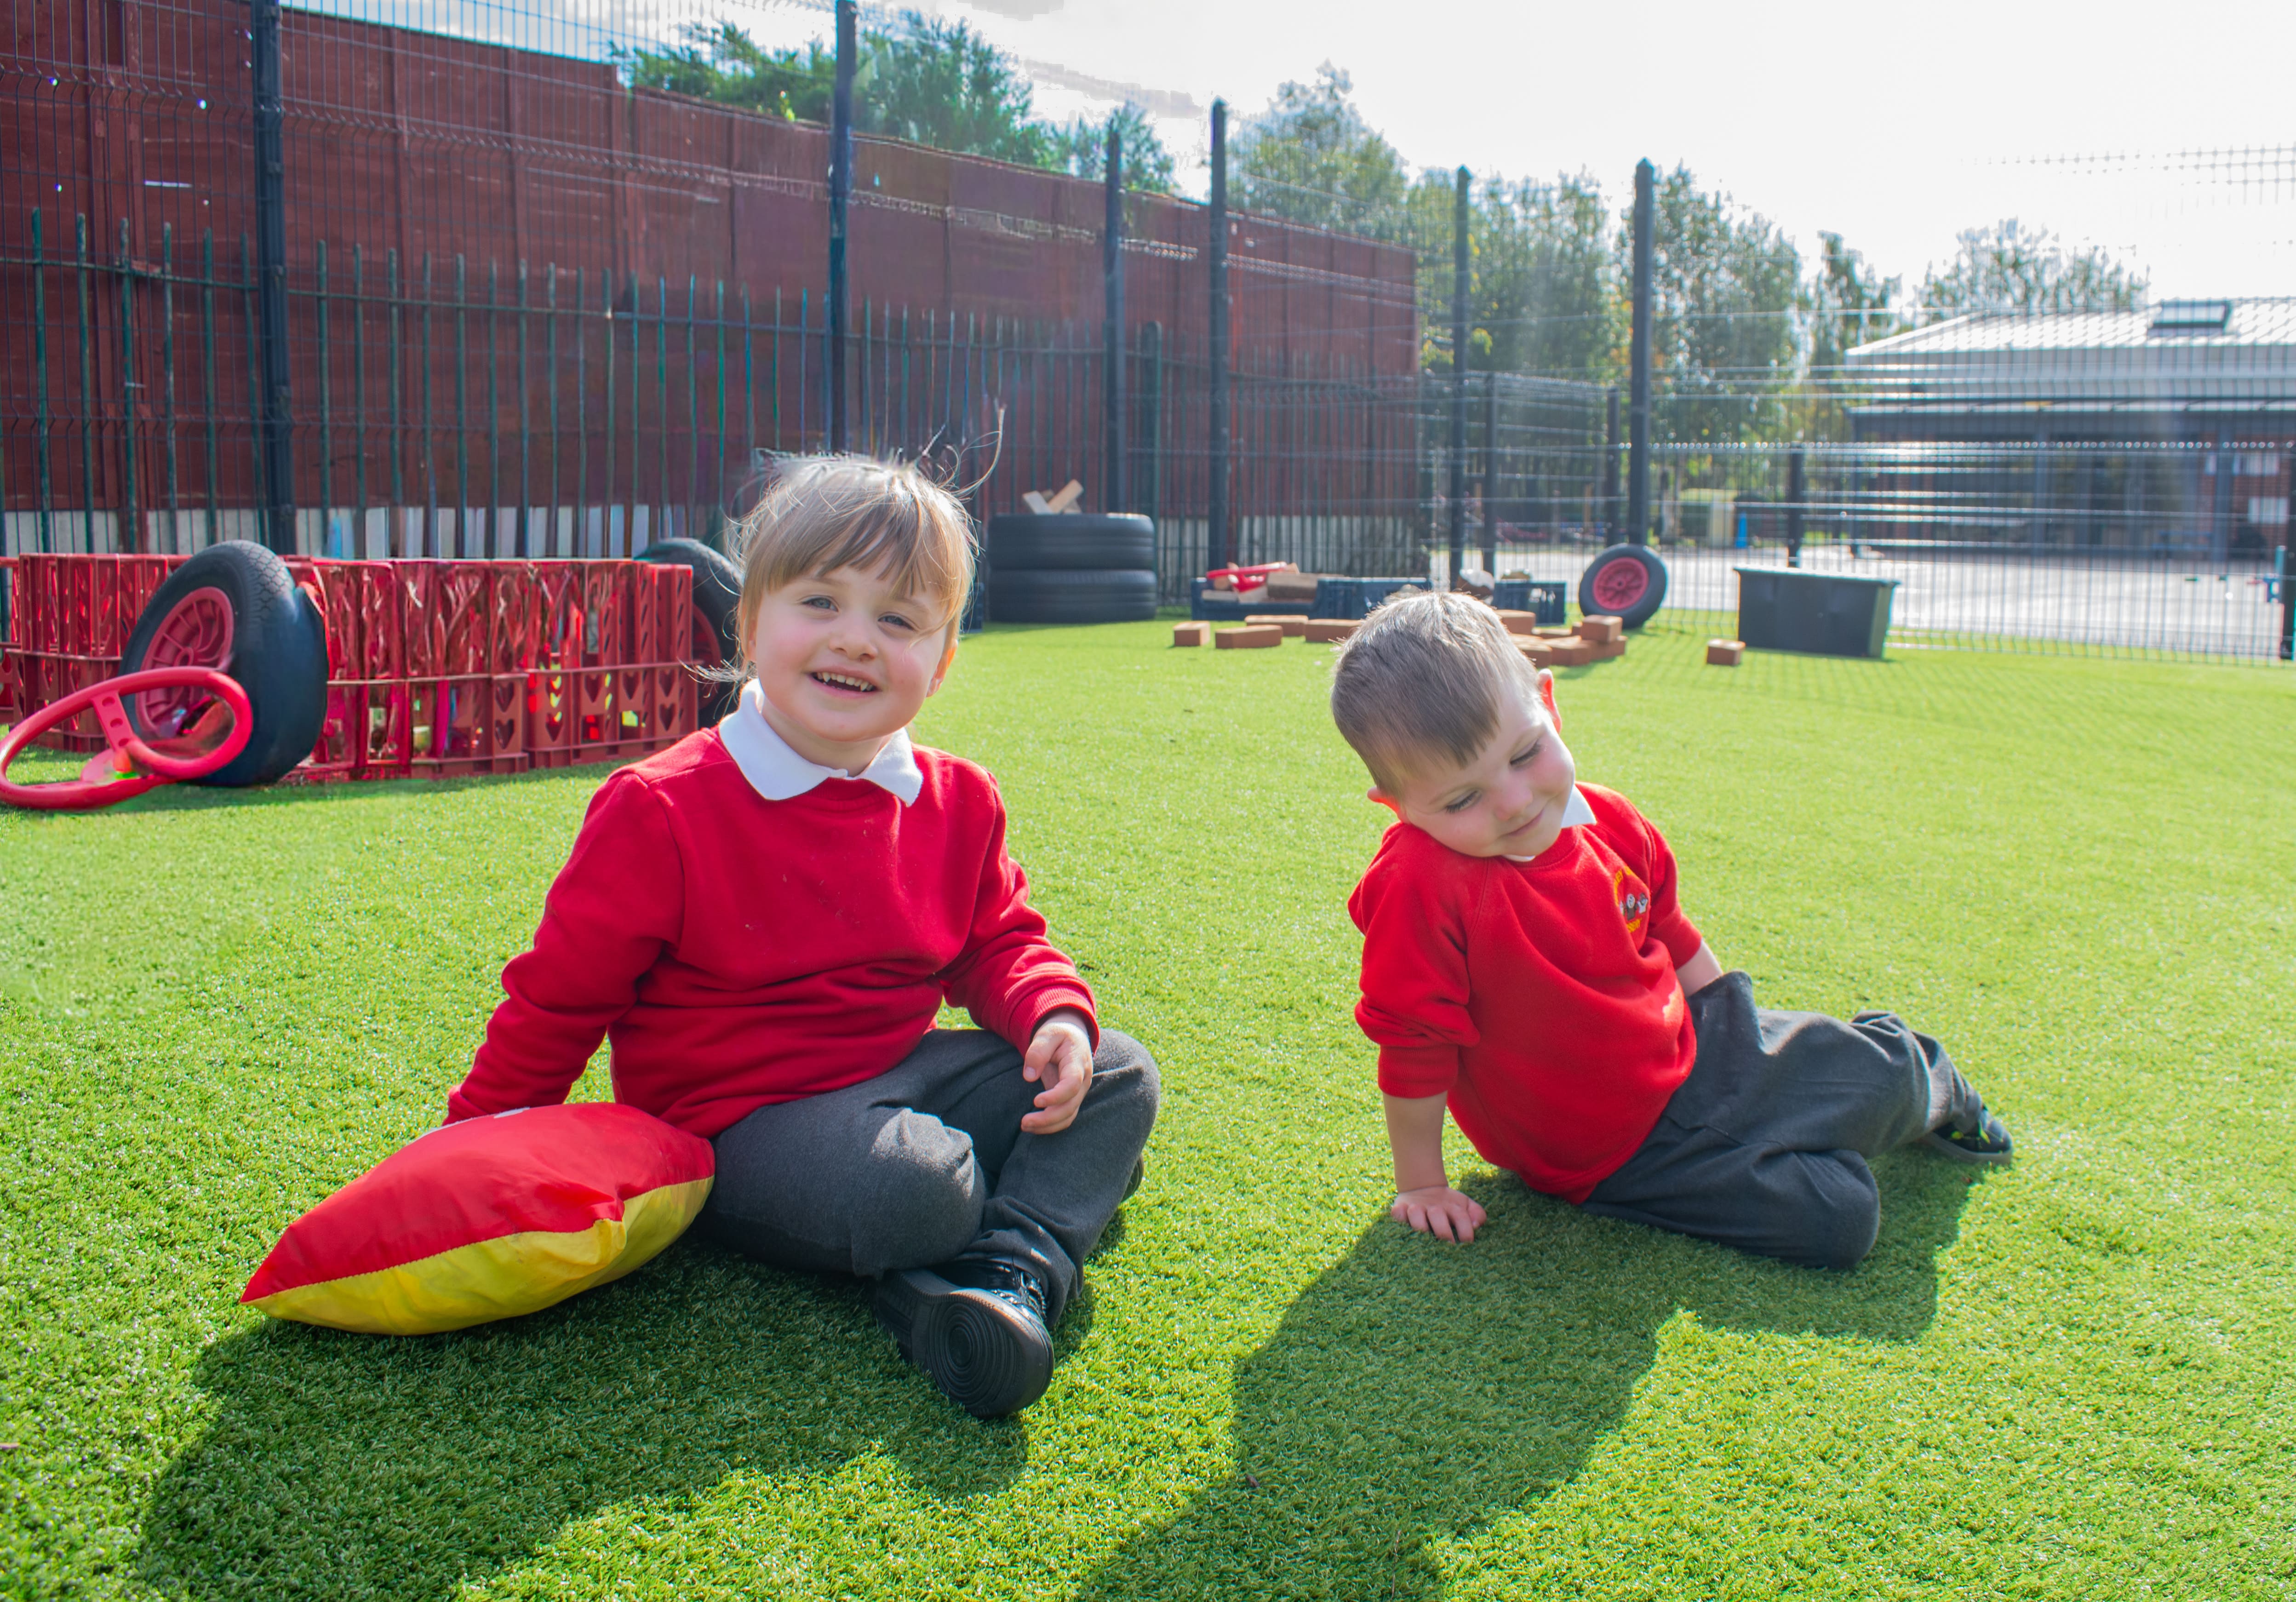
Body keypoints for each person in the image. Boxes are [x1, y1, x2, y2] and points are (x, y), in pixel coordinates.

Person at [443, 456, 1159, 1416]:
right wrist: (468, 1148)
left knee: (1118, 1074)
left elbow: (995, 940)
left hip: (899, 1071)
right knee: (921, 1189)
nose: (856, 641)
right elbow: (560, 1000)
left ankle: (1011, 1273)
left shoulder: (958, 798)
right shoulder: (660, 808)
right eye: (820, 601)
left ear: (942, 661)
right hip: (737, 1119)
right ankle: (1029, 1212)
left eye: (899, 620)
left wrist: (1050, 1016)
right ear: (751, 625)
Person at [1329, 592, 2008, 1270]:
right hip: (1608, 1155)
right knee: (1839, 1221)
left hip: (1696, 1046)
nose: (1512, 802)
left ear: (1549, 705)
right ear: (1400, 807)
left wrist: (1737, 1037)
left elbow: (1670, 933)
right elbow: (1414, 1042)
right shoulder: (1421, 883)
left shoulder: (1610, 820)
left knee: (1885, 1080)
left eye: (1524, 754)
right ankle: (1813, 1114)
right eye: (1461, 799)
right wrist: (1422, 1184)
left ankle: (1920, 1074)